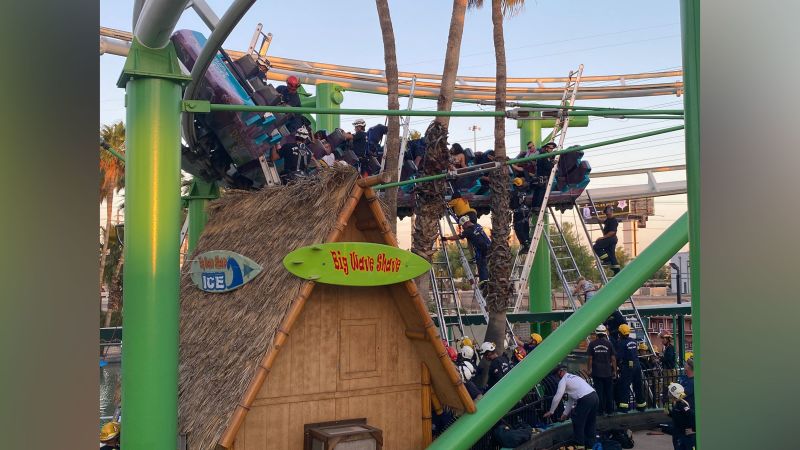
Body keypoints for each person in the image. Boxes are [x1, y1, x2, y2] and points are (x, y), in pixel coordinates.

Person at [544, 365, 599, 450]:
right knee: (590, 422)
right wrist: (565, 414)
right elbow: (571, 399)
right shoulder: (574, 377)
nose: (556, 378)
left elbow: (558, 396)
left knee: (577, 421)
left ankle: (579, 445)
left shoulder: (563, 380)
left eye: (556, 375)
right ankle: (590, 446)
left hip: (585, 399)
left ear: (560, 372)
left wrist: (551, 411)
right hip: (594, 397)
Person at [442, 216, 491, 285]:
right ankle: (488, 279)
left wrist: (446, 238)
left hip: (481, 249)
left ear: (465, 224)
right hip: (489, 246)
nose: (463, 228)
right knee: (487, 265)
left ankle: (484, 282)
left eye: (463, 226)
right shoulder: (478, 225)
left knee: (481, 265)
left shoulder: (468, 231)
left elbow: (458, 237)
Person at [614, 324, 647, 412]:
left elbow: (619, 356)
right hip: (637, 365)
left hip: (628, 367)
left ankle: (624, 407)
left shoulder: (621, 343)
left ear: (620, 333)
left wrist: (617, 365)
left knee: (624, 386)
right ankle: (641, 405)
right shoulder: (633, 341)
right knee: (638, 386)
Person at [587, 325, 617, 416]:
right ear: (604, 333)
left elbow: (590, 358)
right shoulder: (609, 344)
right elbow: (613, 359)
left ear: (596, 333)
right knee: (608, 392)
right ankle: (610, 411)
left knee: (599, 392)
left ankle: (600, 411)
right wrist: (614, 371)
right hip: (607, 372)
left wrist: (589, 369)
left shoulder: (592, 344)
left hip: (597, 372)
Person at [529, 142, 557, 214]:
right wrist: (553, 163)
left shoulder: (544, 155)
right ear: (546, 148)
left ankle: (535, 207)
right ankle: (537, 208)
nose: (551, 150)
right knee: (541, 192)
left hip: (540, 177)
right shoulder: (544, 156)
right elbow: (547, 166)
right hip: (542, 177)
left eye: (552, 149)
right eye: (551, 148)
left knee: (537, 192)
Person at [667, 382, 696, 450]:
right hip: (678, 434)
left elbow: (692, 416)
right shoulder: (677, 404)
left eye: (670, 393)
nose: (668, 395)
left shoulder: (682, 405)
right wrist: (669, 413)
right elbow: (678, 417)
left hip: (685, 436)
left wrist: (694, 430)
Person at [593, 205, 621, 275]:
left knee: (596, 246)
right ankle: (617, 271)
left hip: (610, 239)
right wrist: (599, 220)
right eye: (607, 213)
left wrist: (602, 238)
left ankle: (606, 259)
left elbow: (612, 232)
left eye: (608, 212)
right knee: (611, 255)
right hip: (611, 240)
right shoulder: (608, 219)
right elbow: (605, 221)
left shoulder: (614, 221)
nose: (608, 214)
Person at [510, 177, 531, 252]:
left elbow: (511, 204)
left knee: (518, 229)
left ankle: (525, 245)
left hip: (518, 212)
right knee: (525, 226)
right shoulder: (524, 191)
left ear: (514, 185)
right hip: (526, 210)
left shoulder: (513, 193)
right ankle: (528, 240)